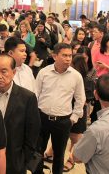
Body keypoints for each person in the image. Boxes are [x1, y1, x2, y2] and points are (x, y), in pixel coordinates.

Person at [0, 54, 40, 173]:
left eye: (4, 71)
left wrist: (23, 159)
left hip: (14, 162)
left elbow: (32, 132)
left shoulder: (27, 98)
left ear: (13, 72)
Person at [34, 43, 86, 174]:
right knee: (38, 152)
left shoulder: (76, 76)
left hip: (63, 121)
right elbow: (35, 94)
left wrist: (73, 119)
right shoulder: (43, 72)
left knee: (59, 154)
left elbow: (81, 99)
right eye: (64, 55)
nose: (68, 59)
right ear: (54, 56)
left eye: (70, 56)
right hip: (42, 118)